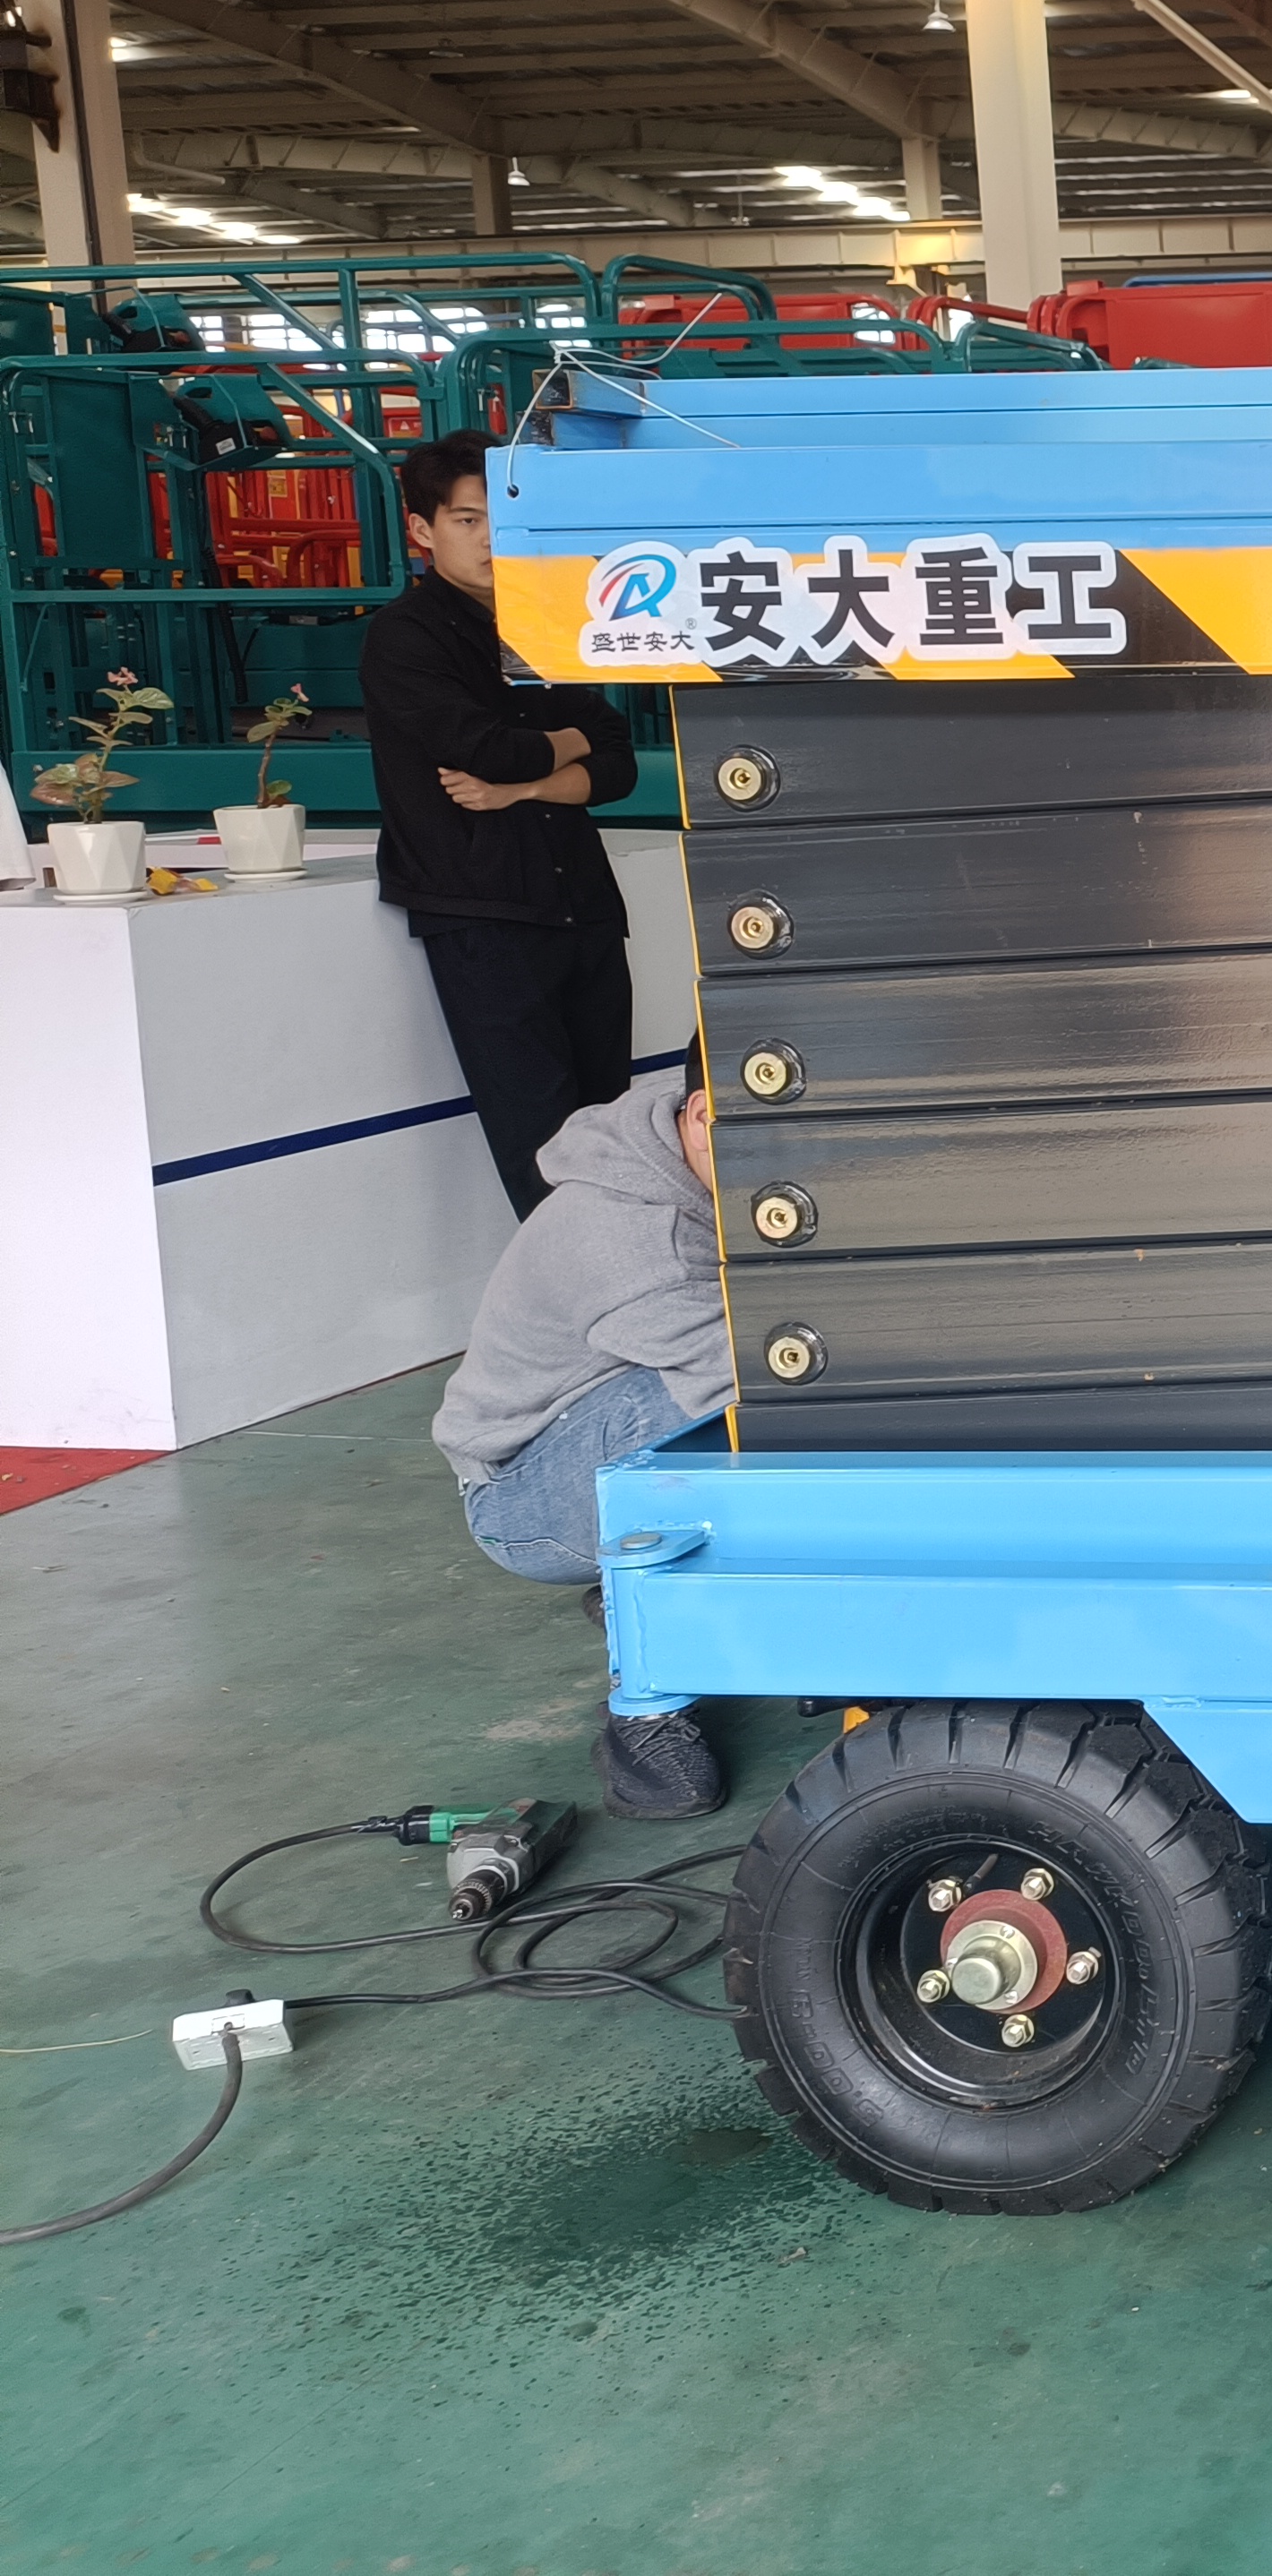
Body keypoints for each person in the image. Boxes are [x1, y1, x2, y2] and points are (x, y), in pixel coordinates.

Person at [434, 1072, 737, 1818]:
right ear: (703, 1115)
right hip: (519, 1496)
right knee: (712, 1409)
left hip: (578, 1436)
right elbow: (766, 1381)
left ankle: (638, 1586)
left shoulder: (694, 1130)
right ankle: (646, 1717)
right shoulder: (636, 1246)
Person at [361, 431, 640, 1218]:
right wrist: (570, 745)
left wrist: (528, 786)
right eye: (467, 520)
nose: (490, 539)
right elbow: (487, 749)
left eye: (503, 520)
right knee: (541, 1144)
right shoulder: (405, 636)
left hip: (582, 905)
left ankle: (624, 1284)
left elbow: (622, 762)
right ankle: (569, 1291)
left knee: (610, 1129)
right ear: (422, 529)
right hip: (485, 915)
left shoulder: (541, 624)